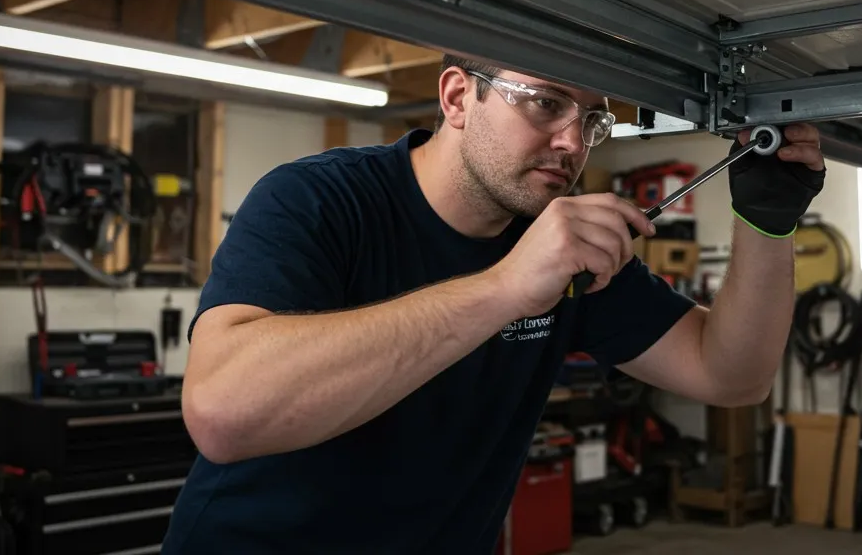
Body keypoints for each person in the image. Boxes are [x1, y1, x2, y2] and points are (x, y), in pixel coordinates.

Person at [161, 55, 826, 554]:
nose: (574, 143)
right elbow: (223, 414)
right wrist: (507, 286)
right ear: (456, 97)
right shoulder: (318, 201)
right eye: (544, 103)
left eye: (592, 119)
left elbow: (732, 375)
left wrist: (767, 223)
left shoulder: (565, 250)